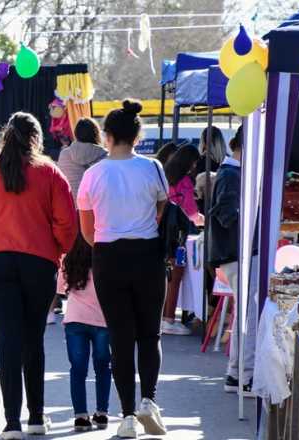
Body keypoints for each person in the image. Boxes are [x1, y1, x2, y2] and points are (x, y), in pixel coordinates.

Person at [0, 112, 77, 439]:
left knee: (7, 344)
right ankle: (37, 417)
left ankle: (12, 422)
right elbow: (67, 223)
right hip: (38, 264)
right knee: (32, 341)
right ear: (36, 139)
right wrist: (56, 251)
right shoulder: (50, 173)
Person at [77, 99, 169, 438]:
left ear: (108, 136)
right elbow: (161, 210)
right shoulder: (152, 168)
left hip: (108, 257)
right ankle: (149, 399)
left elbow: (87, 230)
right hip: (147, 255)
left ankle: (127, 416)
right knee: (150, 334)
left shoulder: (92, 174)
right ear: (136, 135)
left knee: (120, 336)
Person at [208, 127, 258, 397]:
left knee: (244, 315)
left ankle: (237, 373)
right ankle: (243, 375)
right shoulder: (231, 174)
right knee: (247, 316)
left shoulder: (233, 173)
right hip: (238, 254)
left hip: (238, 254)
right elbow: (226, 214)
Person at [58, 235, 111, 432]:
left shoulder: (68, 258)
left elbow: (62, 289)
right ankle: (102, 413)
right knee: (103, 368)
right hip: (103, 320)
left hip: (75, 319)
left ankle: (80, 416)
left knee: (78, 370)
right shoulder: (106, 259)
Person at [162, 144, 204, 337]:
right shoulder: (185, 181)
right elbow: (191, 212)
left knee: (164, 277)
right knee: (176, 276)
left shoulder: (164, 175)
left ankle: (162, 317)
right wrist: (203, 219)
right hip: (179, 239)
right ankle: (169, 319)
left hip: (161, 235)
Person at [56, 117, 107, 196]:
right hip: (96, 205)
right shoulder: (105, 156)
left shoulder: (64, 155)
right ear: (96, 134)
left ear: (76, 133)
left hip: (70, 205)